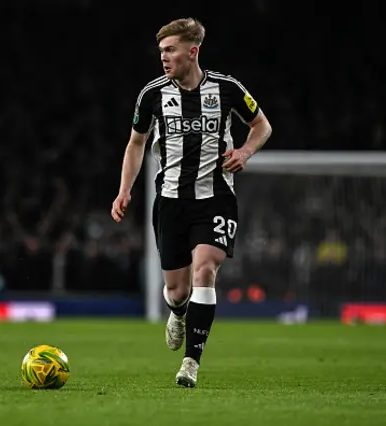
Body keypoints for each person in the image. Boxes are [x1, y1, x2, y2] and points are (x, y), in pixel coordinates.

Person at [111, 17, 272, 387]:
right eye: (161, 51)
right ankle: (179, 312)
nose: (164, 58)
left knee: (205, 271)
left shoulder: (227, 89)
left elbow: (262, 125)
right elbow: (136, 144)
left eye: (170, 50)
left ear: (192, 51)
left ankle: (191, 363)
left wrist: (246, 151)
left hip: (215, 198)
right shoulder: (151, 94)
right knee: (177, 290)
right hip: (170, 201)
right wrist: (124, 190)